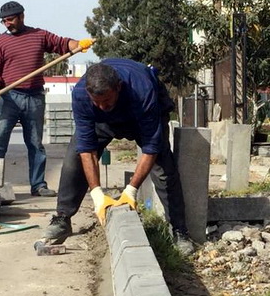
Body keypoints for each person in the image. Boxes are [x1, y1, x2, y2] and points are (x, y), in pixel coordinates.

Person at [43, 58, 192, 253]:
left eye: (106, 100)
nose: (102, 106)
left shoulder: (142, 90)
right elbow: (87, 149)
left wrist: (131, 190)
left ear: (118, 88)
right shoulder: (81, 94)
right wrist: (97, 193)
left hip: (141, 114)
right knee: (74, 158)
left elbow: (151, 147)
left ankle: (180, 230)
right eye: (97, 102)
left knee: (164, 168)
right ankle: (63, 218)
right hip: (103, 123)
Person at [0, 0, 86, 196]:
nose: (7, 24)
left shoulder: (38, 36)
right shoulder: (0, 43)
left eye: (11, 19)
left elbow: (62, 44)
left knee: (35, 144)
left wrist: (79, 44)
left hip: (35, 98)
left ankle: (38, 185)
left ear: (22, 16)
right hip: (8, 98)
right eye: (4, 21)